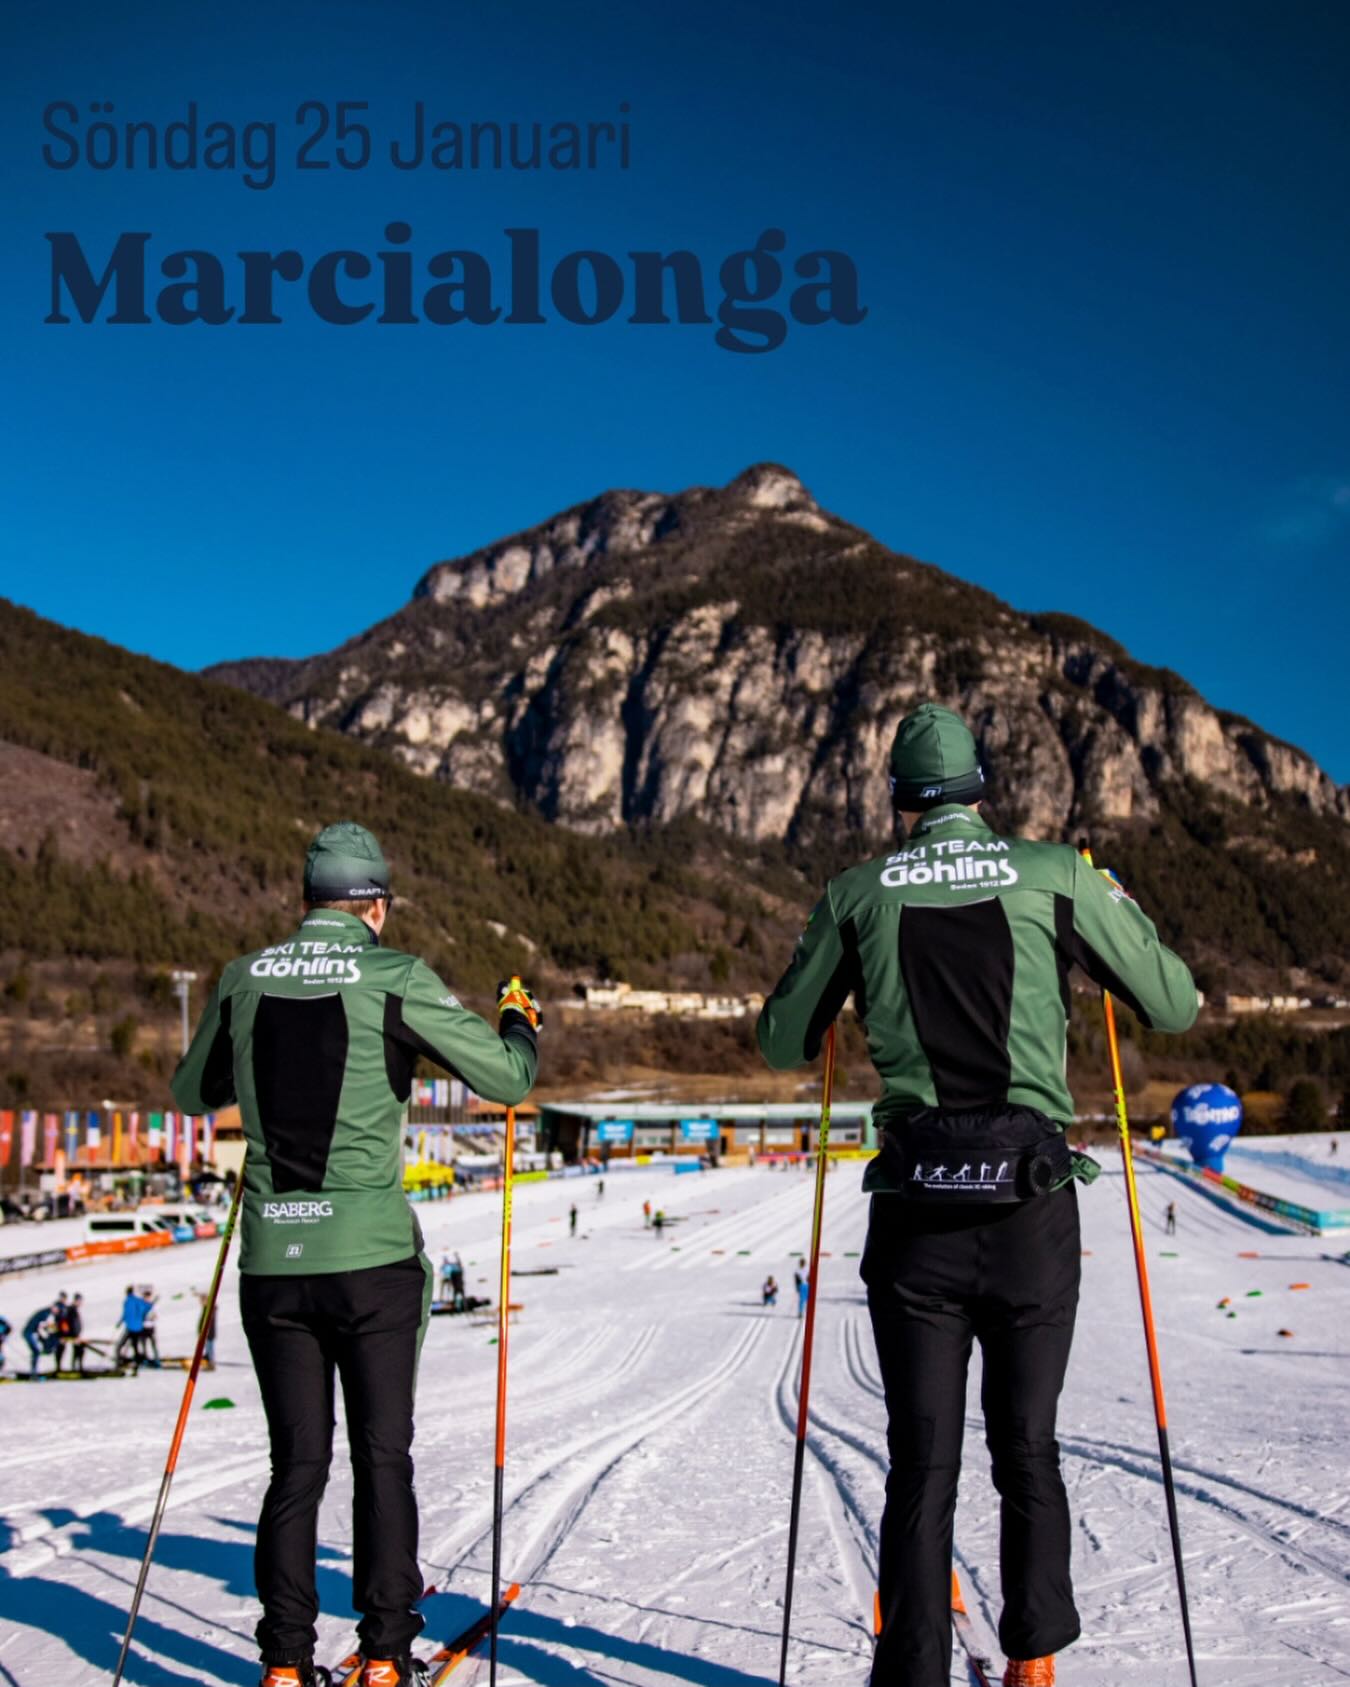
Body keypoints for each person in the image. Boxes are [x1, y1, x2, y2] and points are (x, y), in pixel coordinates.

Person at [756, 704, 1199, 1687]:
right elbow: (1172, 1003)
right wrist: (1120, 904)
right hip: (1032, 1212)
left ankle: (910, 1671)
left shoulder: (856, 893)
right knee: (1026, 1446)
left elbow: (783, 1041)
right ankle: (1032, 1662)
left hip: (917, 1219)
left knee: (922, 1461)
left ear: (904, 800)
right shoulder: (1057, 874)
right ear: (980, 788)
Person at [172, 820, 540, 1687]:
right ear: (376, 904)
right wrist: (518, 1018)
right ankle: (383, 1655)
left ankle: (286, 1665)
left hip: (275, 1262)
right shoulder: (395, 973)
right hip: (370, 1260)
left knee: (296, 1462)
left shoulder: (241, 977)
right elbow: (509, 1079)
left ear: (306, 904)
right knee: (383, 1453)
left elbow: (193, 1091)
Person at [116, 1283, 149, 1370]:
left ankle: (119, 1362)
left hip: (130, 1328)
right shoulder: (138, 1300)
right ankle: (137, 1362)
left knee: (120, 1345)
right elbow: (146, 1307)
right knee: (135, 1346)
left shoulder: (127, 1301)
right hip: (138, 1328)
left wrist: (119, 1323)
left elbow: (125, 1314)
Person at [58, 1293, 85, 1373]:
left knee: (79, 1349)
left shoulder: (74, 1309)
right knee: (78, 1348)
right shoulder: (71, 1309)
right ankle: (74, 1367)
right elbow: (65, 1322)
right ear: (76, 1300)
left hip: (74, 1335)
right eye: (80, 1301)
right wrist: (67, 1334)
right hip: (71, 1335)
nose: (81, 1303)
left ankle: (76, 1367)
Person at [195, 1289, 219, 1369]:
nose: (200, 1302)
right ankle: (208, 1361)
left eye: (202, 1300)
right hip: (206, 1333)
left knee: (210, 1348)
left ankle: (211, 1364)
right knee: (208, 1348)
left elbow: (209, 1321)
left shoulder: (210, 1309)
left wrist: (205, 1331)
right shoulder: (206, 1308)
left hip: (209, 1333)